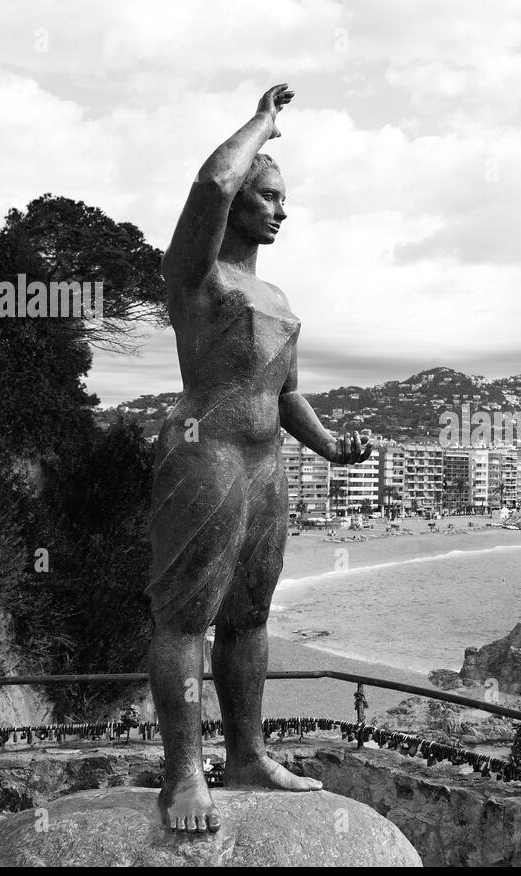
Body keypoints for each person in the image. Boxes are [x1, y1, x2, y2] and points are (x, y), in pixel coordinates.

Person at [146, 84, 372, 834]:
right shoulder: (196, 276)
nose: (281, 210)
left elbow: (288, 392)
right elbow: (210, 182)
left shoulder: (274, 294)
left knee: (248, 618)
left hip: (266, 466)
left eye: (283, 199)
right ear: (238, 199)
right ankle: (183, 776)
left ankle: (244, 755)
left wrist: (334, 446)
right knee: (186, 621)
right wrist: (263, 124)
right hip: (203, 455)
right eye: (268, 195)